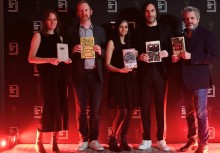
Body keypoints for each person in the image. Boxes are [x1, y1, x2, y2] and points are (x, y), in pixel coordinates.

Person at [172, 6, 218, 153]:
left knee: (201, 113)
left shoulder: (207, 34)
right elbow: (179, 56)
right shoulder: (180, 35)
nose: (189, 21)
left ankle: (203, 143)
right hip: (185, 80)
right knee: (190, 114)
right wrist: (175, 59)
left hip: (200, 81)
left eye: (191, 18)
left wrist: (192, 57)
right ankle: (192, 140)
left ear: (197, 19)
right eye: (186, 19)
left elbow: (212, 56)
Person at [28, 10, 72, 153]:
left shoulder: (59, 37)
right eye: (49, 19)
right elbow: (31, 58)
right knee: (48, 109)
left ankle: (54, 141)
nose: (52, 22)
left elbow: (59, 57)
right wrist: (49, 60)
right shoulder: (38, 36)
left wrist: (66, 60)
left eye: (54, 19)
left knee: (59, 109)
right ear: (45, 21)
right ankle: (38, 141)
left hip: (60, 76)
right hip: (47, 78)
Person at [132, 1, 173, 151]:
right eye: (147, 11)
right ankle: (146, 138)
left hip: (161, 73)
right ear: (144, 14)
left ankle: (161, 139)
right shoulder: (137, 31)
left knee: (160, 107)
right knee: (145, 107)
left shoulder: (166, 28)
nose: (150, 14)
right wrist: (139, 57)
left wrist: (166, 52)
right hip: (144, 74)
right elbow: (133, 52)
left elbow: (173, 48)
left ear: (156, 12)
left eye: (153, 11)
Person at [66, 0, 106, 151]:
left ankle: (94, 139)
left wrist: (100, 51)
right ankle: (83, 139)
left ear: (91, 12)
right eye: (81, 11)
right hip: (79, 75)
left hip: (96, 75)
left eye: (86, 10)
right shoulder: (71, 31)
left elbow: (106, 52)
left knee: (95, 110)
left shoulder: (100, 30)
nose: (84, 13)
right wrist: (73, 49)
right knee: (81, 110)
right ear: (77, 13)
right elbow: (64, 51)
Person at [105, 19, 139, 152]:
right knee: (123, 111)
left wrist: (135, 56)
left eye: (125, 27)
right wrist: (120, 70)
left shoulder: (129, 43)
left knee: (130, 110)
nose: (123, 29)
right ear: (117, 28)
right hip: (118, 79)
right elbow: (107, 64)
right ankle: (112, 138)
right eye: (120, 27)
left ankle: (123, 139)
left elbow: (131, 65)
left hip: (130, 80)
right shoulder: (111, 43)